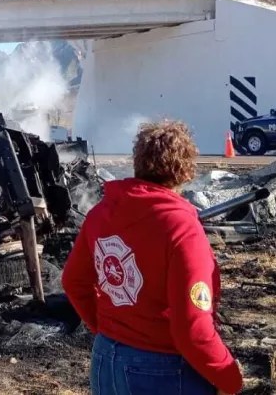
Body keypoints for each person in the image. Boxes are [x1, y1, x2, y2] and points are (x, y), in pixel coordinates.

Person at [62, 120, 243, 395]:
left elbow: (74, 281)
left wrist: (107, 329)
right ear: (185, 170)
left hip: (105, 361)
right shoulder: (181, 227)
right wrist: (229, 377)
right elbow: (192, 328)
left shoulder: (100, 213)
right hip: (162, 370)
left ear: (138, 162)